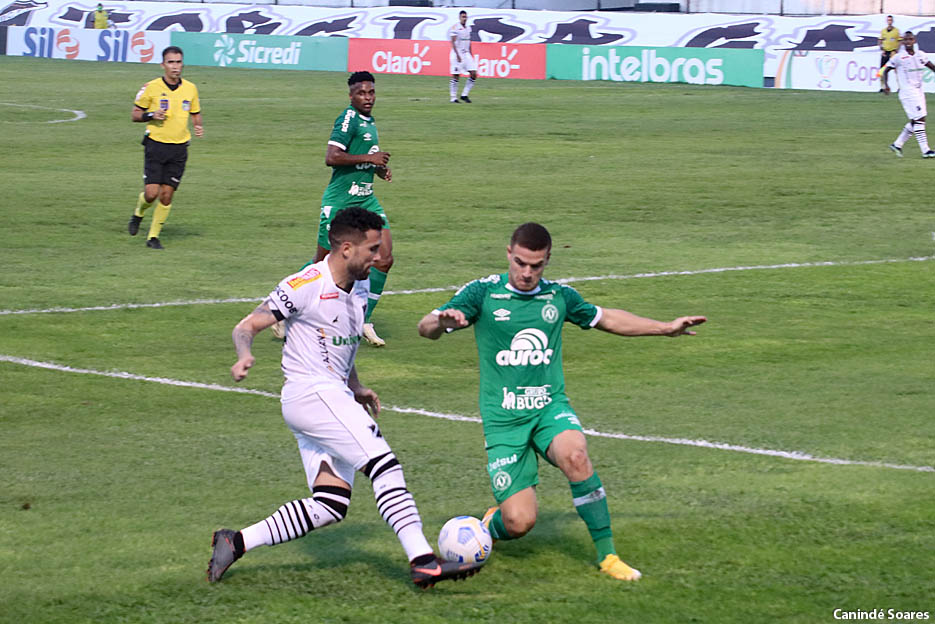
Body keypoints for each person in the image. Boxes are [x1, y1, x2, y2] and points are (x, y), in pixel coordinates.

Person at [207, 207, 482, 588]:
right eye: (372, 249)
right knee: (385, 465)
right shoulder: (306, 284)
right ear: (347, 248)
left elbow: (341, 345)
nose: (379, 257)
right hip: (311, 394)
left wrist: (356, 385)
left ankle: (235, 542)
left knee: (330, 504)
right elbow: (247, 325)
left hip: (329, 396)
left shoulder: (360, 286)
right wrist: (244, 355)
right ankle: (422, 560)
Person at [417, 223, 706, 582]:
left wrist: (665, 328)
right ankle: (490, 525)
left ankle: (608, 556)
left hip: (548, 409)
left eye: (536, 265)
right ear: (509, 253)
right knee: (519, 522)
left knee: (576, 456)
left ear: (548, 260)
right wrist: (440, 323)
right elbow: (424, 327)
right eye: (520, 263)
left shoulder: (559, 296)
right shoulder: (483, 292)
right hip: (504, 422)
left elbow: (606, 318)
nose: (527, 273)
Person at [287, 71, 392, 347]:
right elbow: (332, 157)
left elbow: (363, 159)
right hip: (340, 202)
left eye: (371, 92)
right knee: (321, 265)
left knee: (384, 259)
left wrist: (377, 169)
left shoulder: (369, 121)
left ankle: (363, 320)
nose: (368, 98)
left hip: (366, 200)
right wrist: (369, 157)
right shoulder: (347, 118)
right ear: (351, 96)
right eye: (361, 93)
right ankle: (283, 305)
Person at [127, 46, 203, 249]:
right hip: (156, 145)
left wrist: (198, 125)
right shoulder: (151, 87)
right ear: (163, 65)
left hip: (179, 149)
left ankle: (153, 237)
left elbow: (195, 112)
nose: (175, 66)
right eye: (171, 62)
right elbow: (135, 114)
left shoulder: (191, 88)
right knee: (151, 194)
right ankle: (138, 213)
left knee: (167, 195)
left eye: (178, 62)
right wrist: (151, 115)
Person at [883, 31, 935, 159]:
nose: (908, 42)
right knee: (920, 119)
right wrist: (886, 85)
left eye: (910, 39)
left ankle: (897, 144)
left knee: (916, 120)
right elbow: (886, 70)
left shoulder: (920, 55)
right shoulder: (899, 57)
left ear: (914, 41)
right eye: (905, 40)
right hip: (907, 92)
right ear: (902, 42)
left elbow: (932, 67)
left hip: (919, 91)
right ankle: (925, 150)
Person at [448, 10, 477, 103]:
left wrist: (471, 54)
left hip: (466, 53)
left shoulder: (468, 28)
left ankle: (464, 95)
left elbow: (469, 41)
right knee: (456, 75)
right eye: (463, 17)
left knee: (474, 74)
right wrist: (457, 55)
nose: (464, 19)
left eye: (465, 17)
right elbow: (452, 42)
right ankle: (453, 97)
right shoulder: (455, 28)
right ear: (459, 18)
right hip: (457, 53)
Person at [878, 15, 900, 92]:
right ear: (886, 21)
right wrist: (882, 49)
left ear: (892, 21)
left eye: (890, 20)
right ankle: (882, 87)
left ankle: (899, 86)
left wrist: (896, 50)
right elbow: (880, 41)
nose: (889, 22)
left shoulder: (896, 31)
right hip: (885, 52)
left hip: (893, 53)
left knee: (896, 70)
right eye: (888, 20)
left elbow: (900, 41)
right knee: (882, 70)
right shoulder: (883, 31)